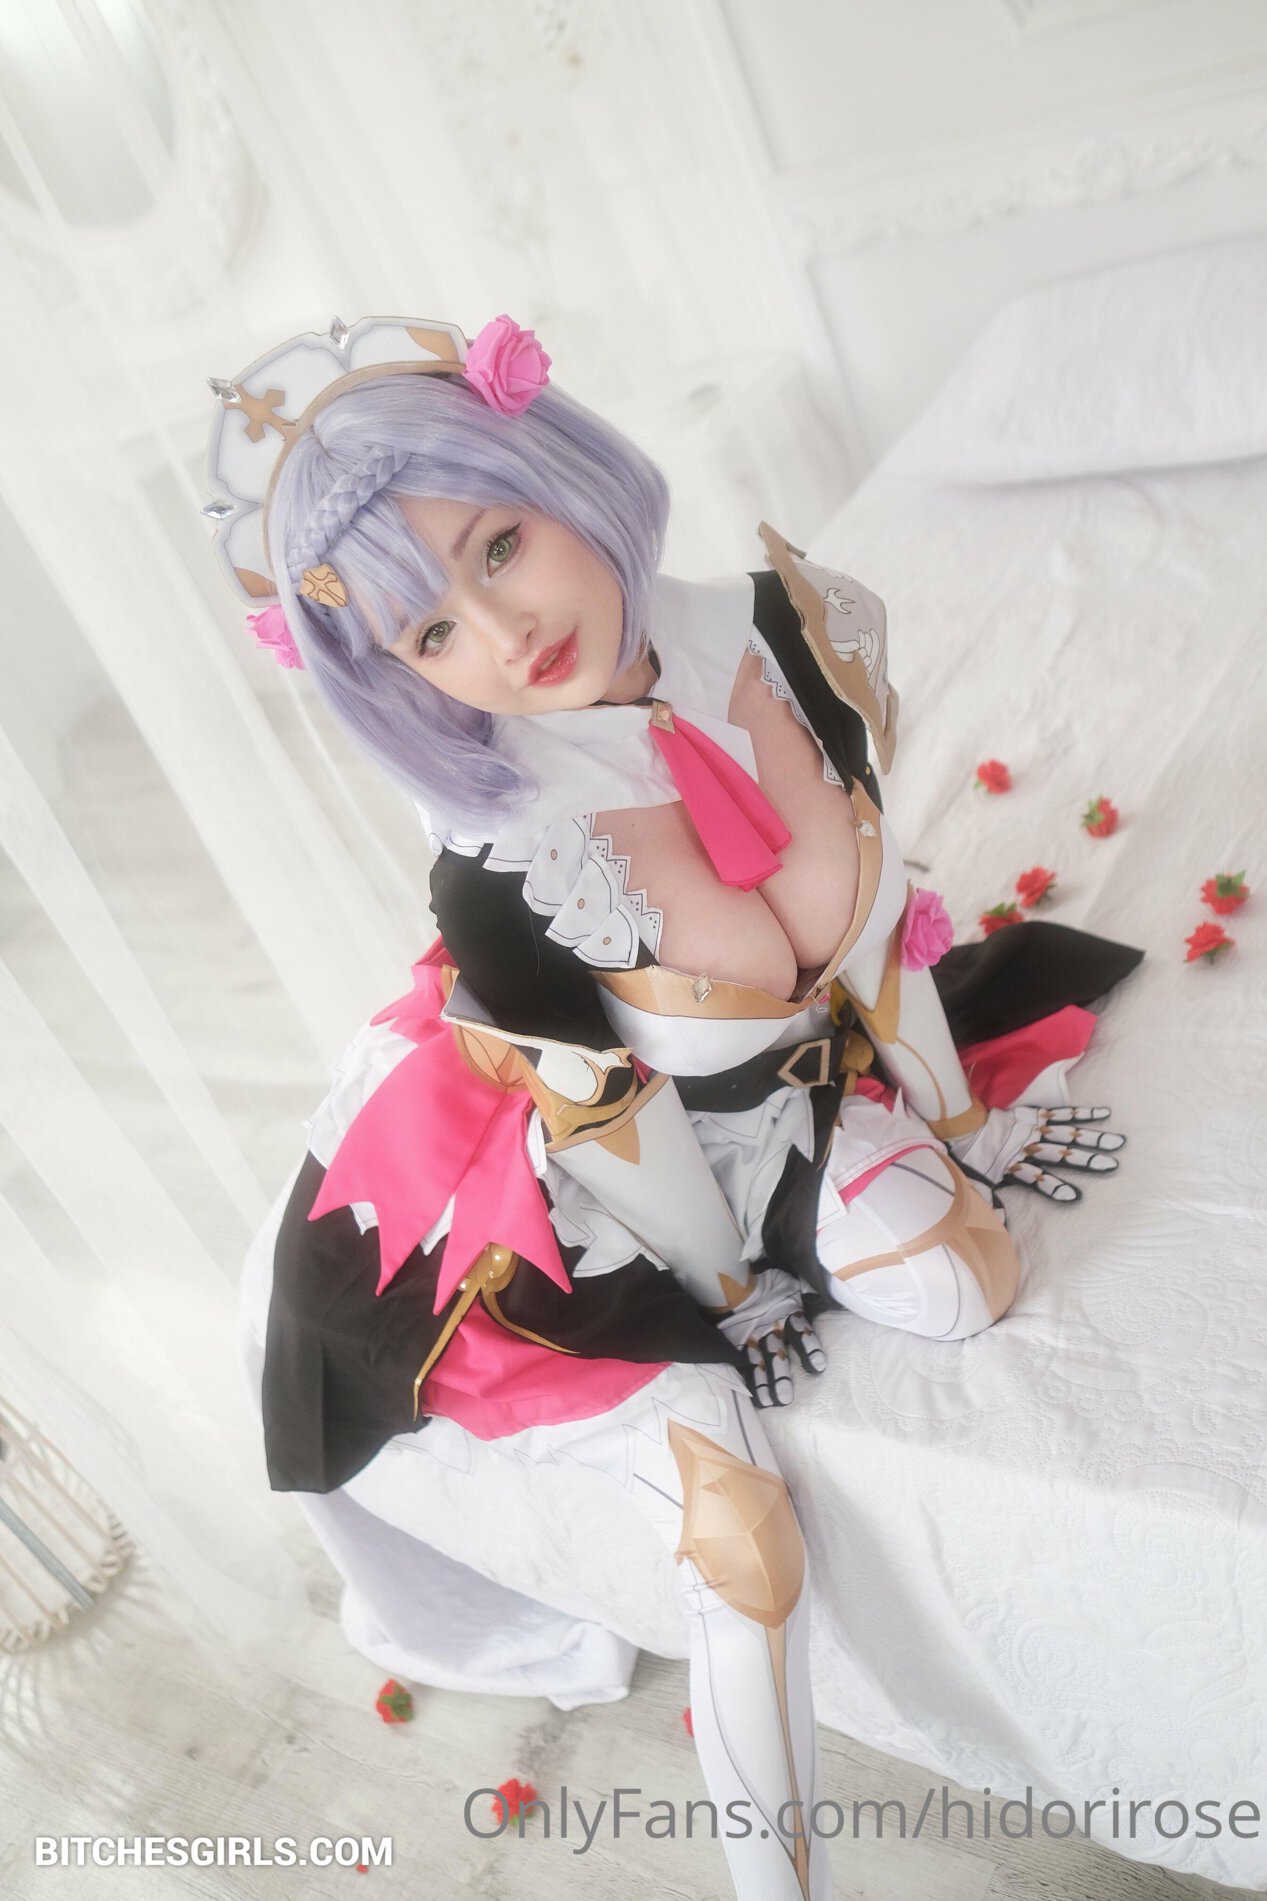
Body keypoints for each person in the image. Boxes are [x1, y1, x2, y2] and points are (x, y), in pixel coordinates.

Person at [207, 314, 1142, 1901]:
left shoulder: (795, 623)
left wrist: (955, 1123)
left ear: (556, 463)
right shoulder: (503, 867)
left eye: (501, 543)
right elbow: (619, 1123)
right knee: (742, 1543)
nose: (505, 631)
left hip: (782, 1102)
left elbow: (871, 925)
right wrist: (729, 1293)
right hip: (587, 1194)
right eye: (432, 630)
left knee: (966, 1276)